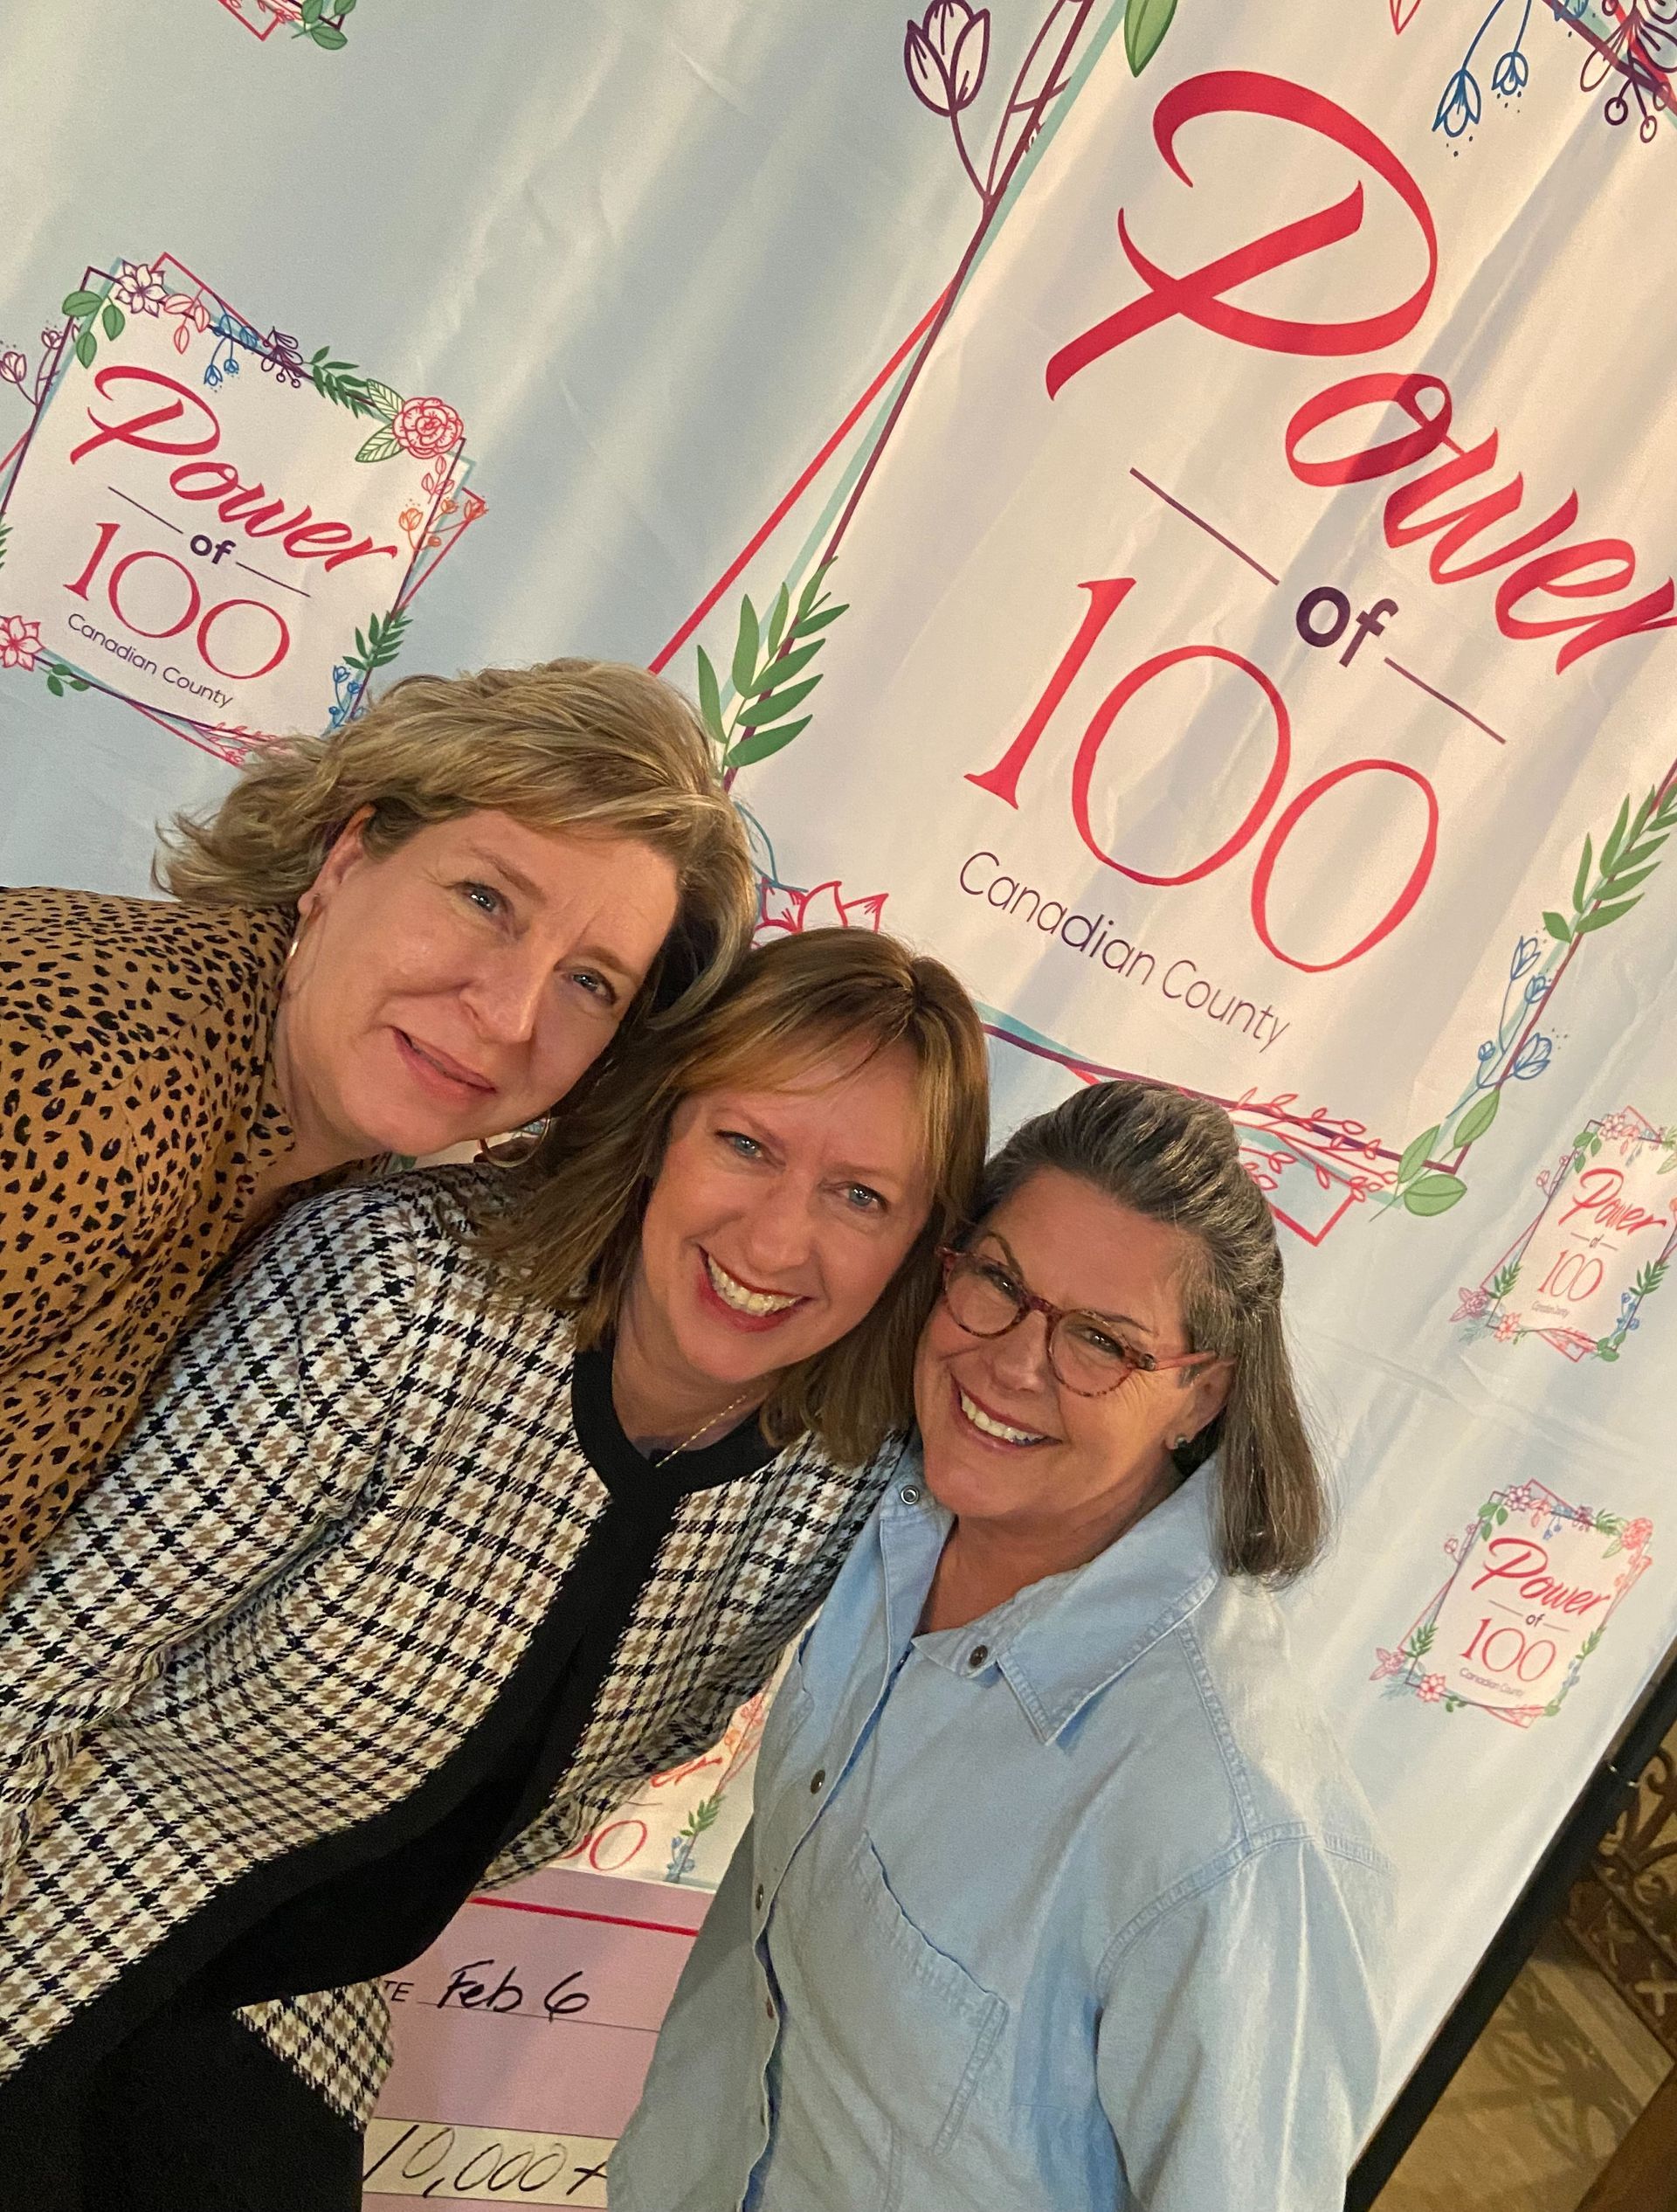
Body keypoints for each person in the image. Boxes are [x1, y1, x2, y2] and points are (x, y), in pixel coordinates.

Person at [0, 927, 988, 2212]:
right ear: (658, 1128)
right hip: (59, 1919)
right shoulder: (401, 1287)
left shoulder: (838, 1484)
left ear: (921, 1246)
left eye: (863, 1196)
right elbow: (42, 1665)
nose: (780, 1236)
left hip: (307, 2026)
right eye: (745, 1143)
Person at [612, 1079, 1396, 2212]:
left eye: (1101, 1342)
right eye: (1000, 1284)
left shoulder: (1231, 1835)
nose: (1015, 1363)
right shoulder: (884, 1522)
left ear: (1200, 1396)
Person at [0, 657, 755, 1591]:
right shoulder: (95, 1082)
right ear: (346, 859)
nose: (510, 1015)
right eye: (487, 901)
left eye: (589, 982)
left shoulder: (320, 1157)